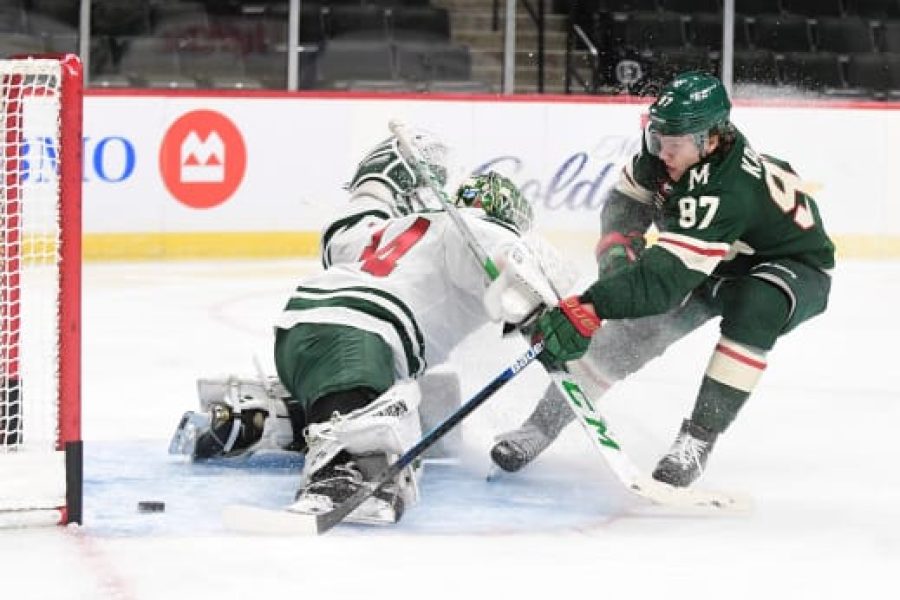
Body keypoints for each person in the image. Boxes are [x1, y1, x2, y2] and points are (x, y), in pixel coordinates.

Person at [173, 127, 557, 525]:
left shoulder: (392, 226)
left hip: (301, 328)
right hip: (362, 335)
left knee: (413, 402)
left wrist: (374, 186)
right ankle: (343, 472)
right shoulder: (480, 233)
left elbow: (340, 235)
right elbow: (508, 263)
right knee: (369, 427)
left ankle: (267, 415)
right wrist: (548, 310)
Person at [489, 71, 835, 489]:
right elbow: (623, 208)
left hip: (789, 264)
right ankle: (541, 426)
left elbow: (664, 281)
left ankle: (698, 438)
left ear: (711, 140)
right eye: (658, 139)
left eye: (675, 145)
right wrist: (618, 270)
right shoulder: (666, 154)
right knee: (632, 334)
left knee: (754, 306)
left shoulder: (724, 190)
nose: (663, 153)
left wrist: (593, 305)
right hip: (716, 257)